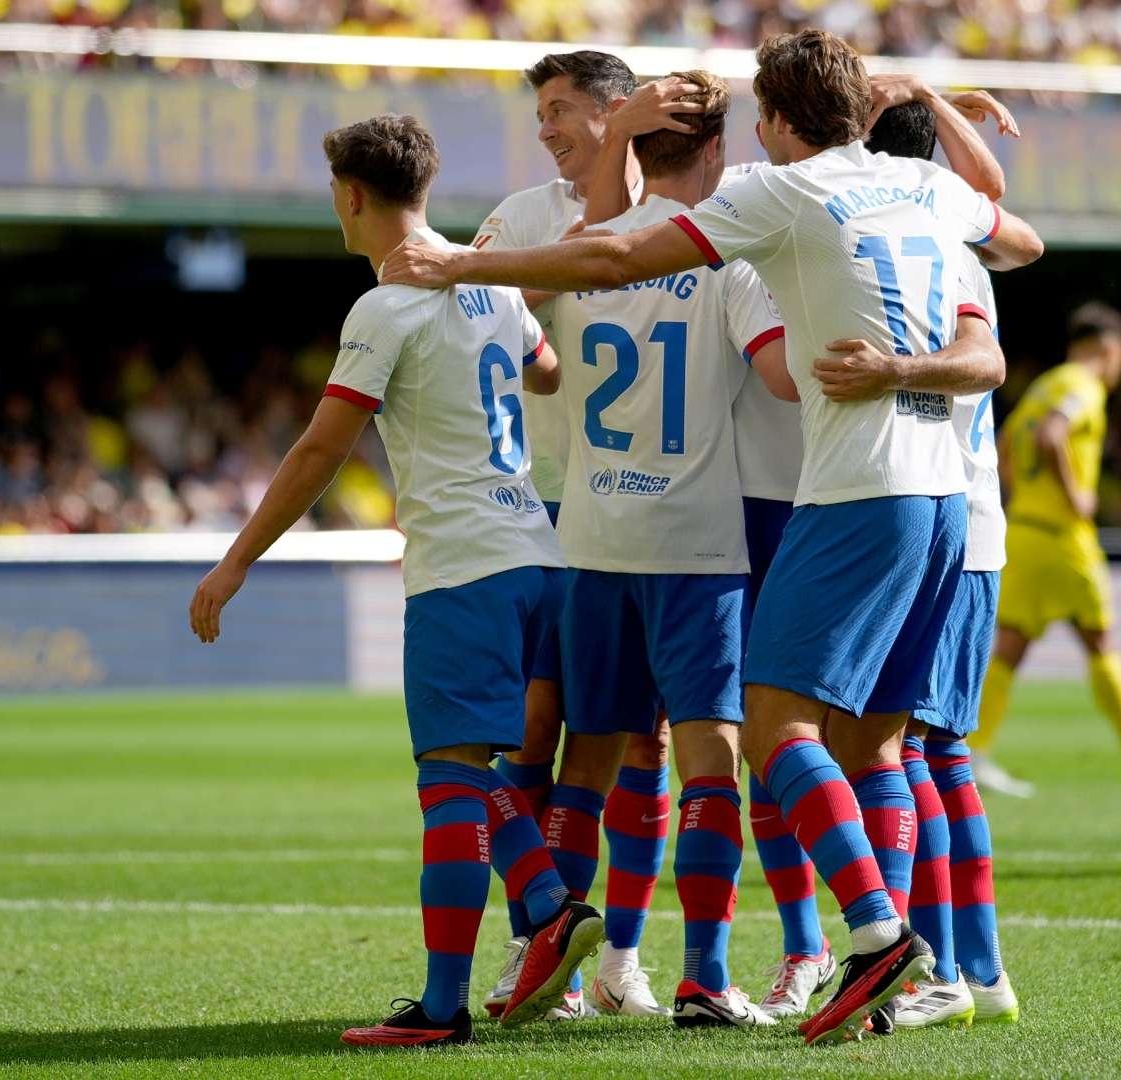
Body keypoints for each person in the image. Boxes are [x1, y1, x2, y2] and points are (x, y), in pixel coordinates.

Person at [378, 29, 1045, 1043]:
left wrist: (460, 265)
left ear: (775, 124)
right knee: (876, 747)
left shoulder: (776, 199)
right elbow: (1017, 246)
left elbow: (609, 251)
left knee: (762, 733)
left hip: (811, 500)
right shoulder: (925, 192)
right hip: (944, 500)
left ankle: (871, 938)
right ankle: (857, 963)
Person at [186, 114, 602, 1047]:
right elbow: (546, 373)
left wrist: (236, 559)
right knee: (472, 766)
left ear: (352, 196)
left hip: (464, 566)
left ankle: (446, 1007)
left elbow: (322, 447)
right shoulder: (486, 283)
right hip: (540, 554)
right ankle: (547, 904)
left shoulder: (385, 305)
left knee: (448, 778)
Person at [547, 70, 797, 1027]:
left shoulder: (586, 254)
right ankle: (704, 977)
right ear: (721, 156)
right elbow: (780, 381)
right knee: (707, 766)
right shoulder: (734, 265)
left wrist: (619, 139)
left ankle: (560, 977)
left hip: (595, 543)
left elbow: (590, 233)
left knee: (588, 765)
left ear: (637, 152)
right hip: (696, 548)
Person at [472, 50, 675, 1021]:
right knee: (535, 735)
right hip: (546, 512)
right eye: (540, 112)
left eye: (561, 110)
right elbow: (476, 323)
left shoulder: (682, 205)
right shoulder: (519, 218)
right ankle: (537, 949)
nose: (545, 127)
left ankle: (620, 961)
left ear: (617, 112)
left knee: (641, 742)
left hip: (654, 516)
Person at [860, 98, 1018, 1031]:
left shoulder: (898, 240)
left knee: (907, 747)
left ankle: (941, 968)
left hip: (940, 513)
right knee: (940, 749)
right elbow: (1001, 203)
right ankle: (982, 965)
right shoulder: (956, 237)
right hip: (973, 517)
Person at [974, 303, 1121, 792]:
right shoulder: (1083, 385)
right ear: (1110, 350)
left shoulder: (1043, 385)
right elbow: (1055, 435)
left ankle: (974, 751)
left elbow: (1007, 442)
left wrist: (1021, 493)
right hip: (1062, 537)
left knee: (1011, 644)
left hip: (1025, 529)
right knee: (1100, 640)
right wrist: (1075, 493)